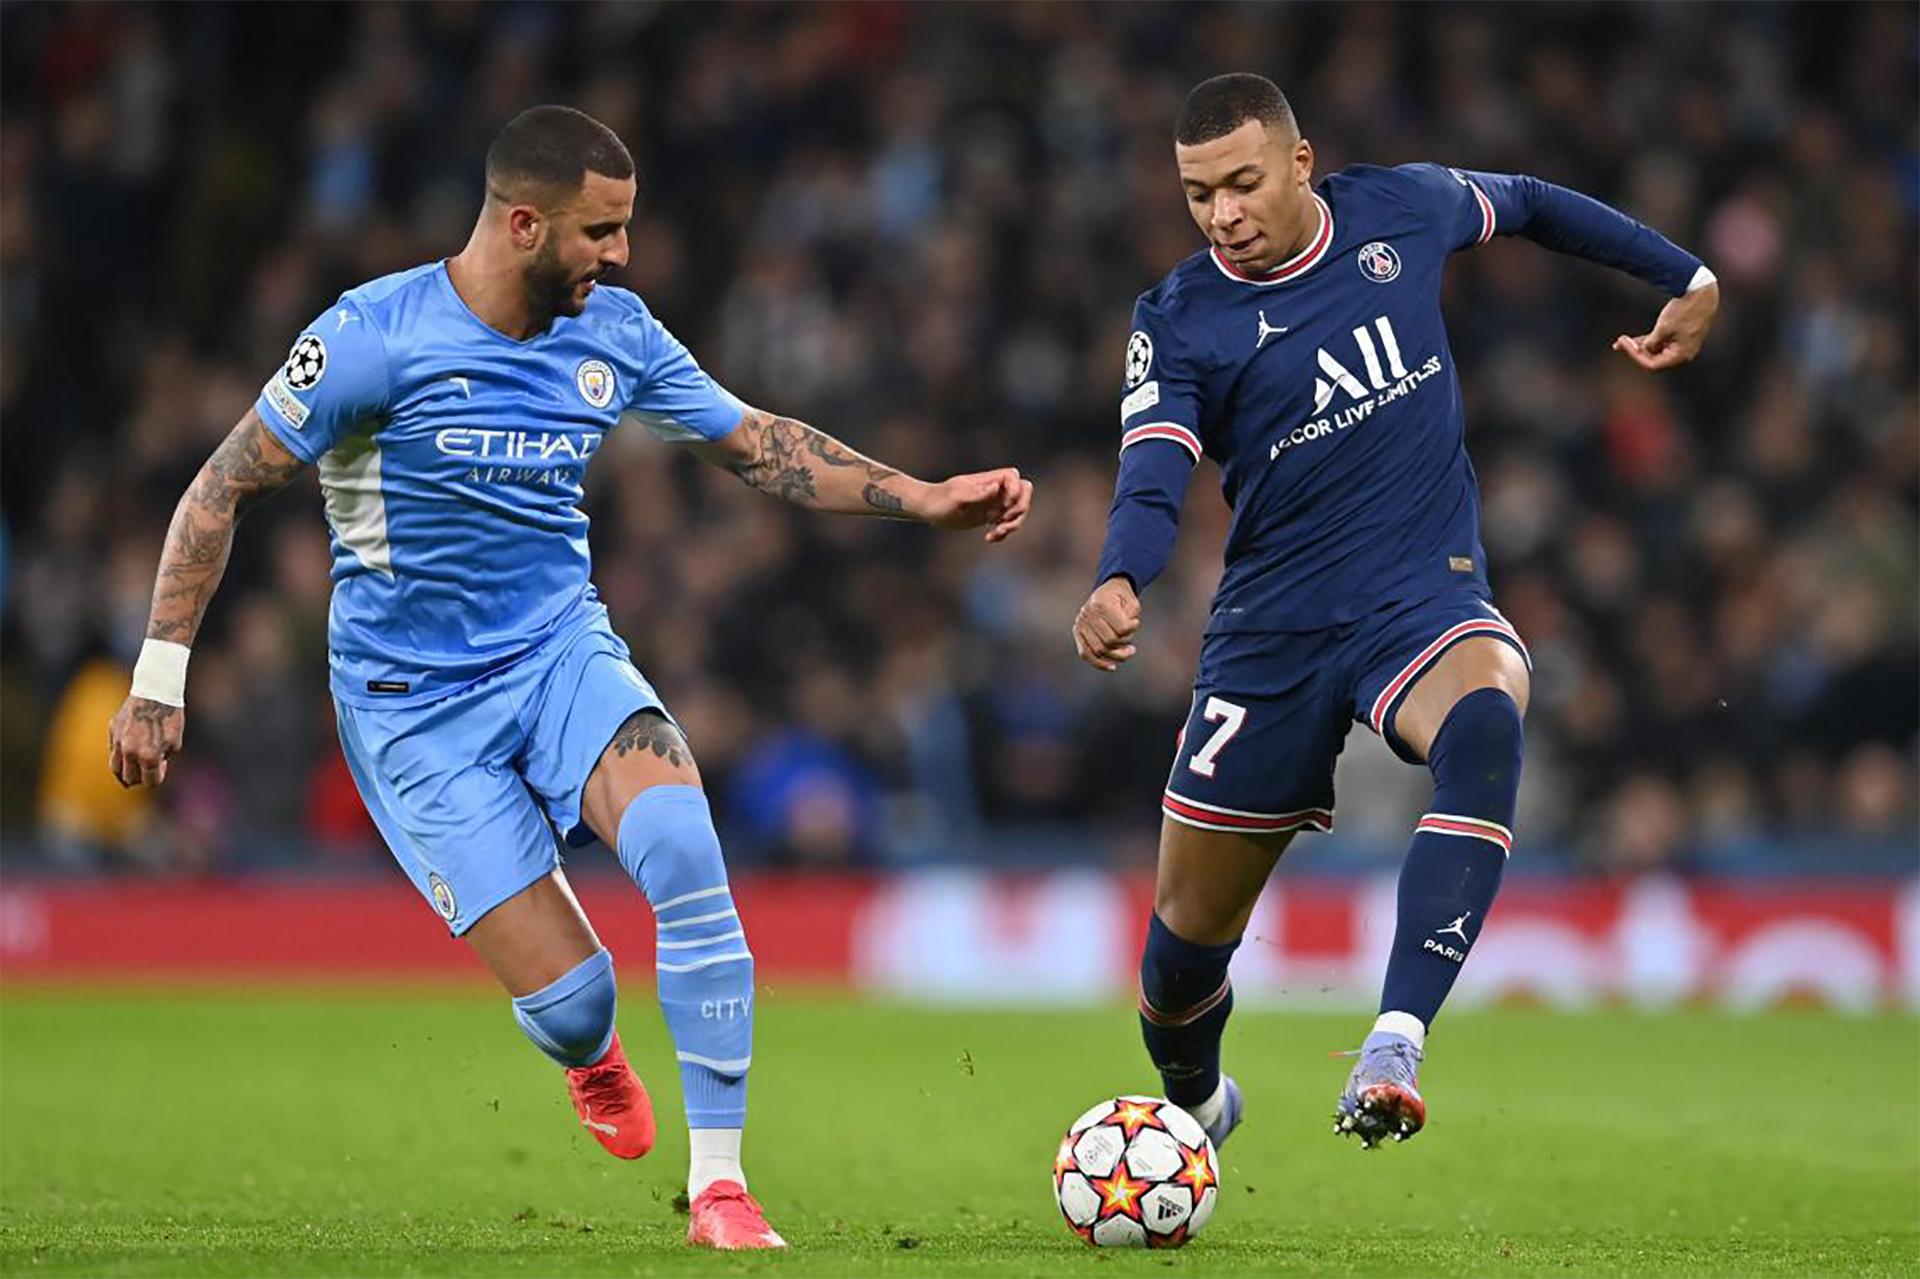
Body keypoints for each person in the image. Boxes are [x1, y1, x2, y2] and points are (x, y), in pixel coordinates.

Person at [107, 105, 1033, 1248]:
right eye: (602, 231)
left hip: (558, 654)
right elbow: (220, 488)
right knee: (576, 1000)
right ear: (524, 224)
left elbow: (758, 444)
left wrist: (925, 498)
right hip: (411, 711)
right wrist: (159, 678)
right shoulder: (371, 338)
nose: (623, 254)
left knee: (683, 845)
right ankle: (589, 1054)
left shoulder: (617, 334)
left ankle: (721, 1189)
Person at [1071, 74, 1716, 1151]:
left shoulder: (1400, 209)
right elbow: (1152, 472)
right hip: (1270, 631)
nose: (1223, 215)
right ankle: (1199, 1101)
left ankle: (1395, 1042)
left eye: (1243, 184)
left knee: (1487, 716)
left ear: (1301, 163)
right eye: (1198, 195)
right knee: (1179, 960)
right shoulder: (1178, 318)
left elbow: (1530, 201)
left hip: (1417, 593)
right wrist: (1119, 578)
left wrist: (1685, 276)